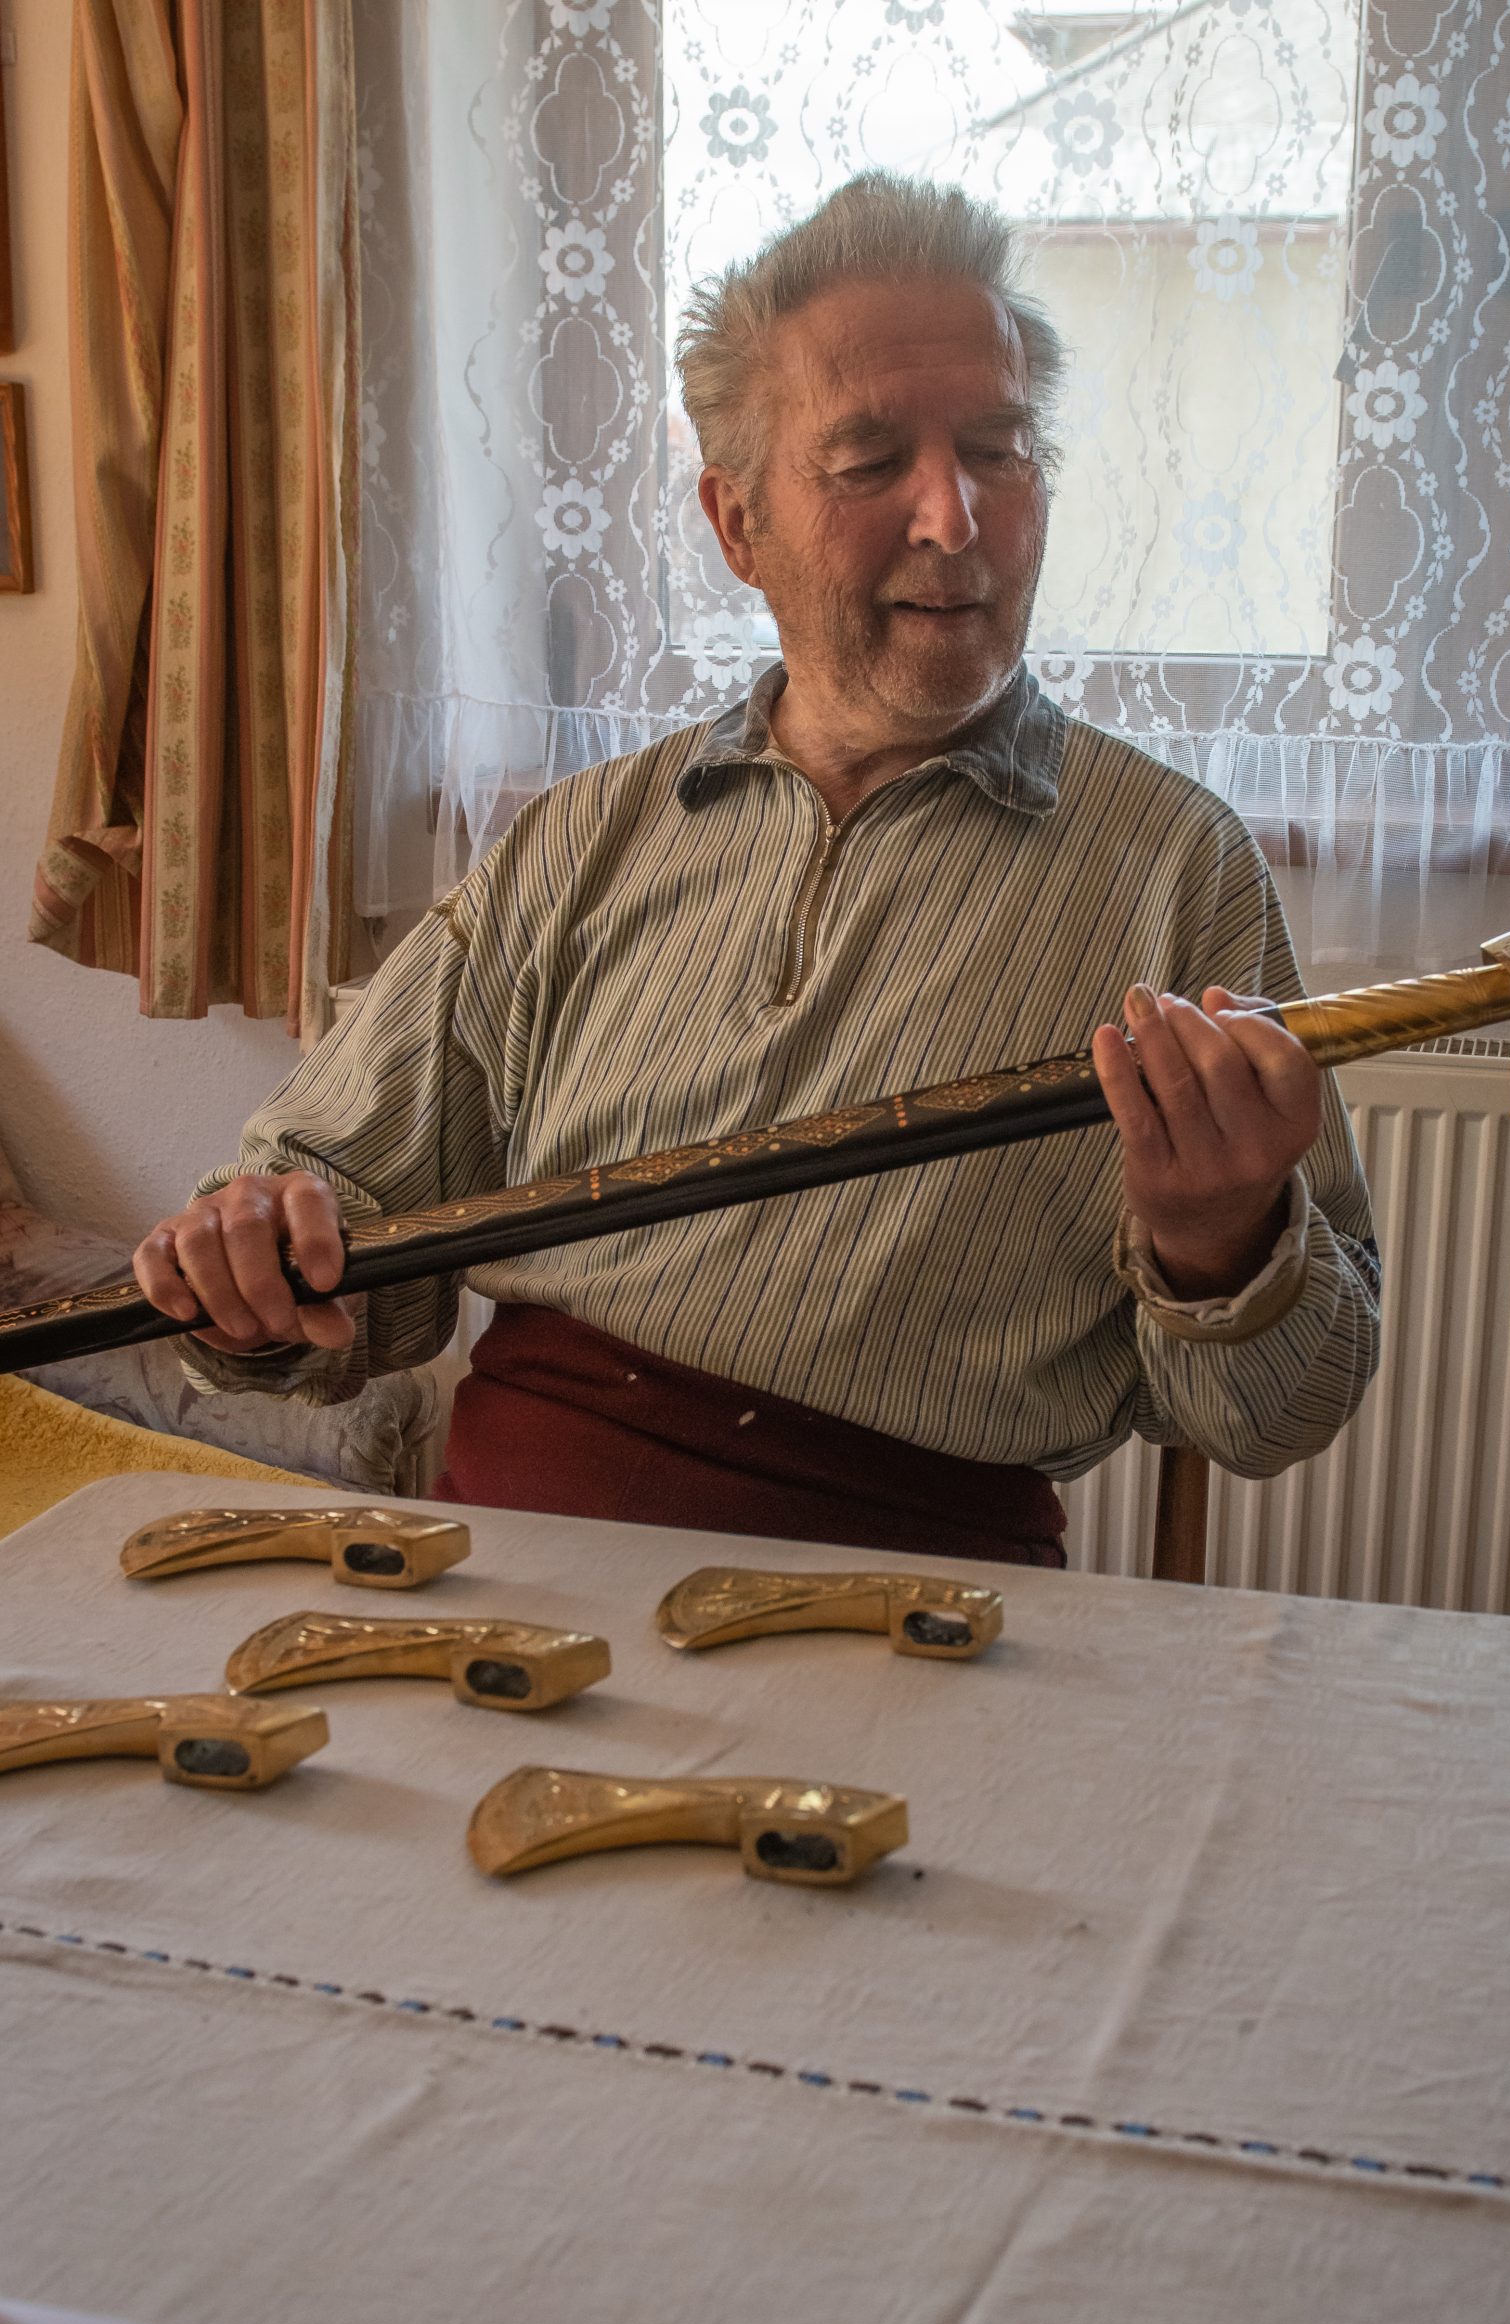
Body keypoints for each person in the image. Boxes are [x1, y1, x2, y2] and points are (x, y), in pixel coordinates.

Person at [133, 174, 1379, 1567]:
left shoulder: (1175, 866)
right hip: (522, 1570)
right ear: (737, 526)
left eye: (999, 448)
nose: (954, 517)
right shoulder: (579, 840)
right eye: (868, 464)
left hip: (921, 1608)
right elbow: (331, 1242)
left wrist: (1225, 1242)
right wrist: (250, 1257)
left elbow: (1289, 1411)